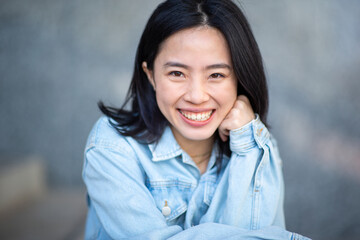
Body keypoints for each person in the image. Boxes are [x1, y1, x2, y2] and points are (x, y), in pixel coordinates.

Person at [82, 0, 310, 239]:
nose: (197, 96)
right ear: (151, 76)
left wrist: (247, 144)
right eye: (177, 73)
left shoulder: (256, 145)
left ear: (239, 79)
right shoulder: (112, 147)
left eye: (216, 75)